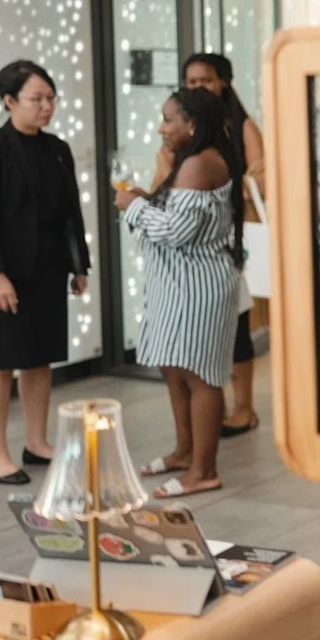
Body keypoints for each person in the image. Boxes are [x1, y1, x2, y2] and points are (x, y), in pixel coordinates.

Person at [118, 87, 244, 499]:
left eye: (169, 119)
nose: (161, 127)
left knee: (201, 376)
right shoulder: (190, 161)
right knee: (174, 368)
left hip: (198, 287)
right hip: (180, 284)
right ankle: (185, 452)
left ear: (192, 123)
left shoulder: (200, 164)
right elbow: (178, 219)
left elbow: (176, 233)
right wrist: (145, 197)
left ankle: (204, 471)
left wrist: (132, 208)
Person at [154, 53, 264, 438]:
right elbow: (161, 189)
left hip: (234, 237)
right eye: (191, 81)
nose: (198, 87)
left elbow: (261, 177)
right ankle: (205, 419)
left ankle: (244, 407)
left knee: (236, 323)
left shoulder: (240, 127)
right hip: (189, 251)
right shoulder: (178, 138)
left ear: (225, 82)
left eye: (205, 80)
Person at [0, 61, 90, 485]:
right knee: (0, 364)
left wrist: (78, 263)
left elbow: (71, 212)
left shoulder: (58, 148)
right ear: (10, 101)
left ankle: (36, 442)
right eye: (38, 99)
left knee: (40, 359)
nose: (47, 106)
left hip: (48, 268)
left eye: (51, 98)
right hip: (6, 275)